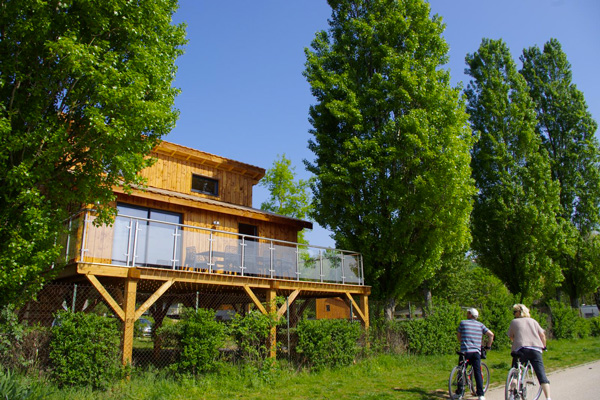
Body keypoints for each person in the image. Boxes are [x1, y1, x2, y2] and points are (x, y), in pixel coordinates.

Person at [507, 304, 551, 400]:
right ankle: (548, 398)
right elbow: (542, 335)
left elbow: (511, 336)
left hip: (520, 349)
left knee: (515, 370)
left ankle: (511, 395)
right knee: (541, 373)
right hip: (535, 349)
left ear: (519, 312)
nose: (514, 314)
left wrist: (516, 340)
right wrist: (544, 347)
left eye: (515, 312)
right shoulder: (533, 321)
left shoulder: (514, 322)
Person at [456, 308, 494, 400]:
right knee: (477, 372)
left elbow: (459, 336)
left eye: (467, 313)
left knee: (461, 370)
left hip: (465, 351)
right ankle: (480, 394)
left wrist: (463, 341)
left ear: (470, 314)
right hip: (476, 352)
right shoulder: (480, 325)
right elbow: (491, 334)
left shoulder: (463, 323)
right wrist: (488, 346)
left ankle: (459, 392)